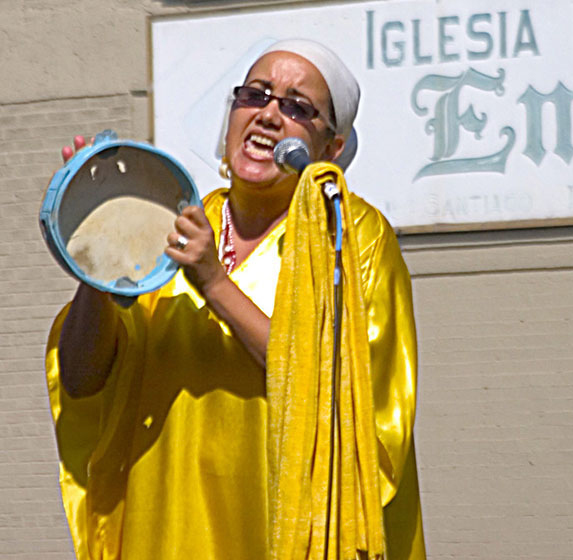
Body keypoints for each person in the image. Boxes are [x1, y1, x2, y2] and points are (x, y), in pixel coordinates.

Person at [46, 39, 425, 560]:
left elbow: (339, 401)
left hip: (280, 534)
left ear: (332, 149)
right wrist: (96, 249)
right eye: (256, 95)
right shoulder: (174, 225)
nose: (269, 115)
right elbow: (84, 380)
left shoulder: (352, 236)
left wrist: (214, 281)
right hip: (167, 529)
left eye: (296, 107)